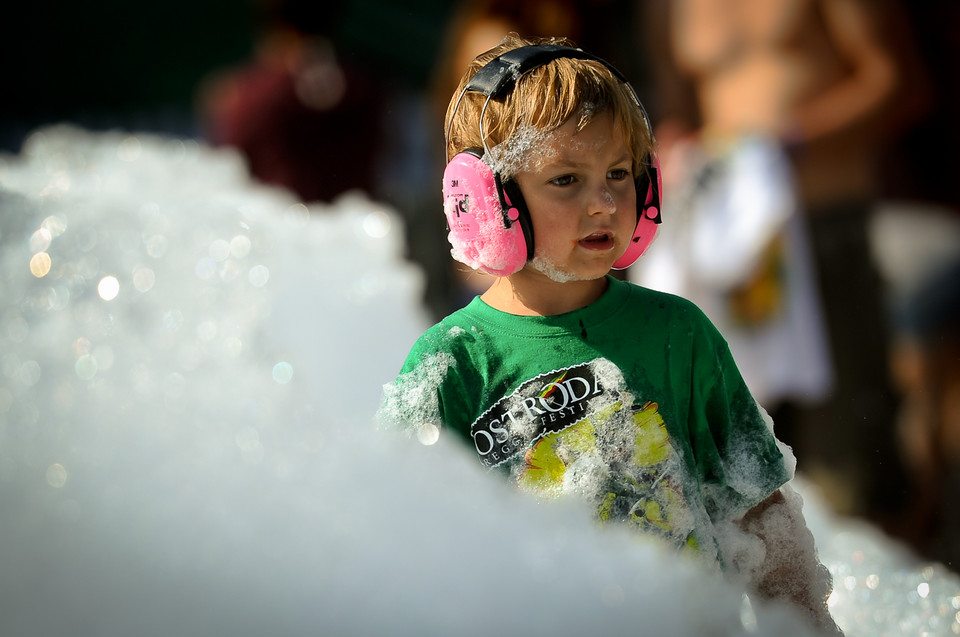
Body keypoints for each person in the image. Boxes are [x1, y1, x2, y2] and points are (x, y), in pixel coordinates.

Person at [380, 34, 840, 633]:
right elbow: (400, 551)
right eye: (566, 180)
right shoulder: (452, 363)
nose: (603, 203)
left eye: (619, 173)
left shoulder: (680, 332)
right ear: (488, 201)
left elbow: (760, 517)